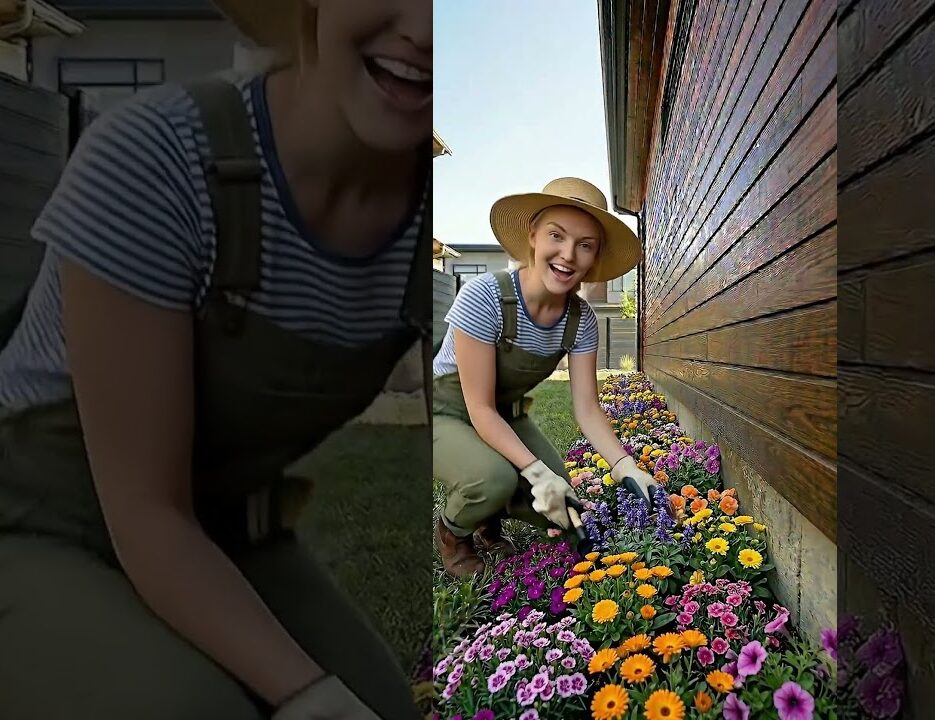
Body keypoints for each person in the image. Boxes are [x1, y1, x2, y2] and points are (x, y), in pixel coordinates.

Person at [0, 1, 429, 718]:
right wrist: (310, 696)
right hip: (37, 523)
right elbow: (147, 514)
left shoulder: (426, 217)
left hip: (221, 528)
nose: (424, 30)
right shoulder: (156, 157)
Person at [431, 177, 663, 578]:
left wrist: (627, 466)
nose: (568, 255)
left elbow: (587, 410)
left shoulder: (580, 321)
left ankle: (491, 516)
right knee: (495, 478)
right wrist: (535, 473)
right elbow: (480, 409)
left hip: (505, 415)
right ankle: (454, 532)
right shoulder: (483, 297)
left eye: (585, 244)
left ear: (595, 256)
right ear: (533, 235)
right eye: (557, 235)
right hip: (446, 413)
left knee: (563, 507)